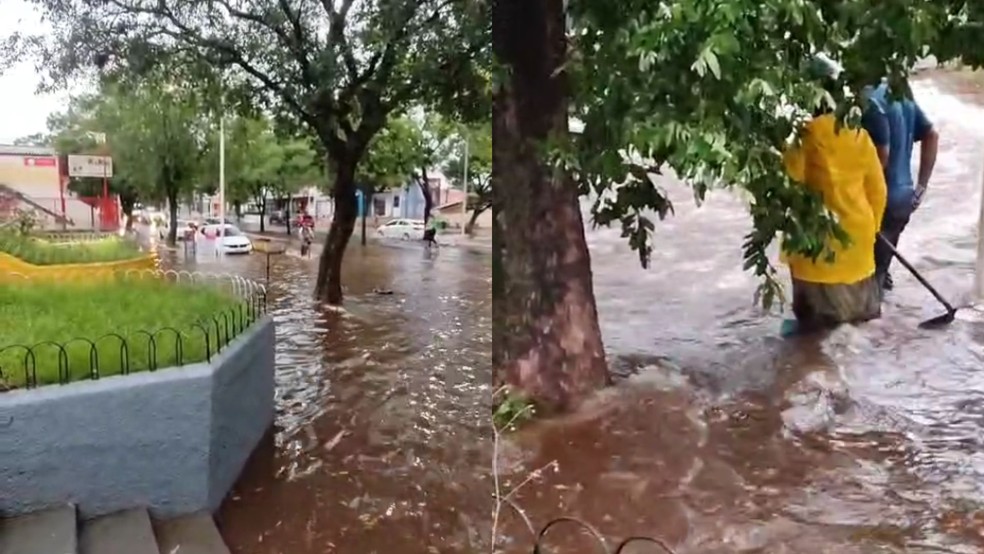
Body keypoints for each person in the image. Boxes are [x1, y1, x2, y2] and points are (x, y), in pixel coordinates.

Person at [782, 55, 888, 332]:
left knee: (818, 336)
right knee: (859, 329)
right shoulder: (858, 134)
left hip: (817, 249)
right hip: (859, 243)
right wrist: (871, 230)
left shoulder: (805, 137)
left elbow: (789, 191)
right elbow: (878, 190)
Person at [861, 79, 939, 291]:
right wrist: (921, 187)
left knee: (864, 284)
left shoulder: (866, 99)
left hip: (879, 203)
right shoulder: (898, 91)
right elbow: (932, 134)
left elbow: (881, 156)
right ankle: (891, 320)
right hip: (903, 198)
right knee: (878, 274)